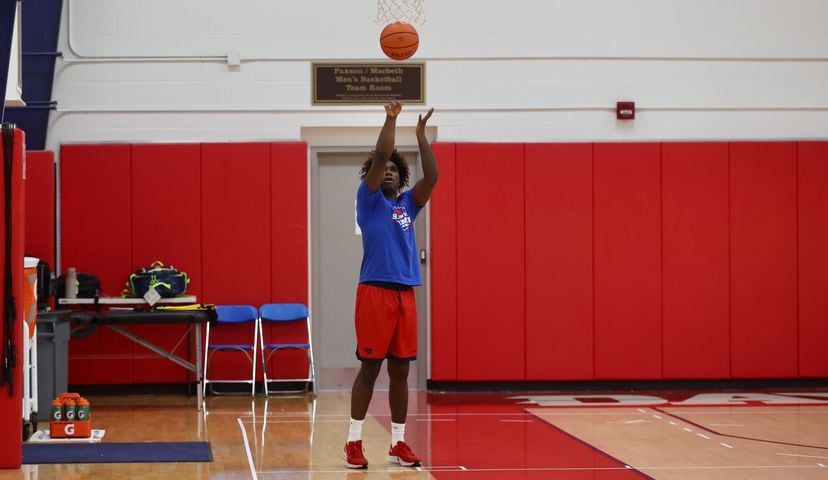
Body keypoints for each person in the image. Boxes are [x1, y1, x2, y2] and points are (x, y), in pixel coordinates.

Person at [343, 101, 437, 469]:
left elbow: (432, 179)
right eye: (384, 170)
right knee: (370, 368)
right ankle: (353, 442)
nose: (389, 173)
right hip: (374, 293)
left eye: (396, 171)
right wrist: (392, 119)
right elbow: (382, 153)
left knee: (401, 371)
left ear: (402, 179)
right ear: (373, 174)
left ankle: (398, 443)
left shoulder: (407, 207)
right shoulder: (368, 203)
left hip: (405, 295)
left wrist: (421, 137)